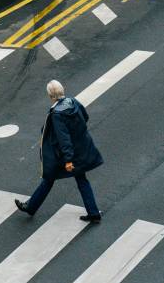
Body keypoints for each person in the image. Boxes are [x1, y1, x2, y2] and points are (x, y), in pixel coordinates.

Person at [16, 80, 103, 222]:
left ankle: (31, 206)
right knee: (79, 179)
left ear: (50, 96)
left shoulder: (57, 114)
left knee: (50, 177)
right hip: (82, 147)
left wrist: (68, 159)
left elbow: (64, 139)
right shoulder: (73, 101)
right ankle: (93, 212)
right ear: (63, 90)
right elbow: (85, 117)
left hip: (67, 154)